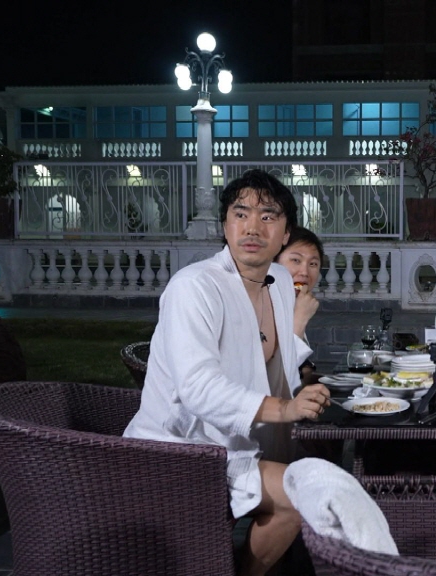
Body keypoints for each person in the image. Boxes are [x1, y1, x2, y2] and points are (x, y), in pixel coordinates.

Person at [123, 169, 332, 575]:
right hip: (177, 451)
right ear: (225, 226)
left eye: (268, 216)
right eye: (241, 214)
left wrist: (301, 384)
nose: (253, 227)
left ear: (285, 234)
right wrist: (286, 409)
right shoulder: (194, 287)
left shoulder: (279, 280)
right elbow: (198, 388)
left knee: (318, 475)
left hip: (232, 447)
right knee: (302, 492)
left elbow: (271, 367)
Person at [275, 226, 324, 385]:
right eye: (296, 260)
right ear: (273, 262)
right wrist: (300, 320)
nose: (304, 272)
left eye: (313, 264)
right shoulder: (259, 306)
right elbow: (275, 376)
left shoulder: (290, 304)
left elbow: (298, 367)